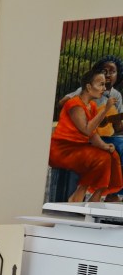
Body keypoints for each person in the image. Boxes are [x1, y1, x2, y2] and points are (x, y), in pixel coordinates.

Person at [48, 68, 123, 202]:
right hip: (64, 149)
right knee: (102, 158)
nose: (104, 88)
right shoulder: (74, 105)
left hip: (80, 148)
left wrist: (105, 146)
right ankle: (78, 195)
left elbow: (92, 134)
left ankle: (99, 195)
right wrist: (106, 109)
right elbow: (86, 130)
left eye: (104, 85)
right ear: (89, 87)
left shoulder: (92, 106)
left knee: (113, 155)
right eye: (100, 84)